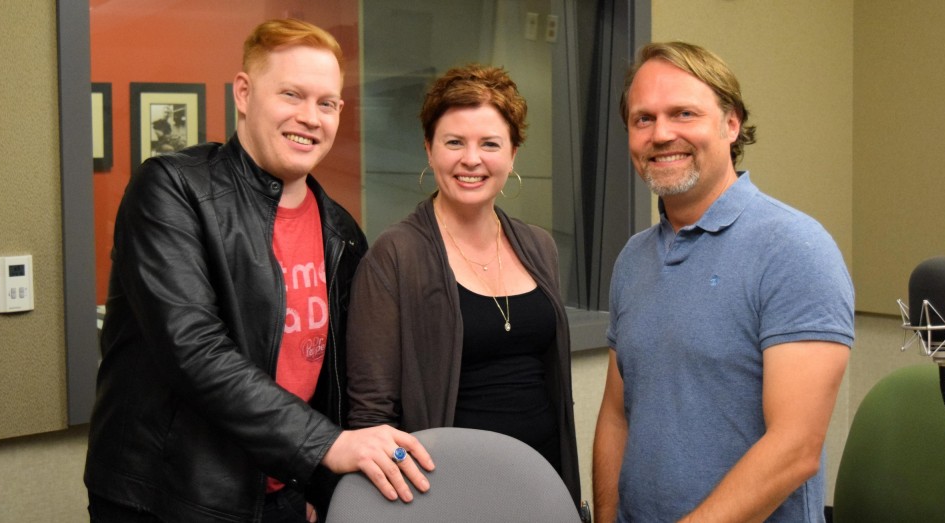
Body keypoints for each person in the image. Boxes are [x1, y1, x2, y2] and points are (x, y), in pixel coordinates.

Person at [84, 19, 433, 523]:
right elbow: (194, 349)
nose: (310, 118)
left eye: (327, 103)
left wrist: (320, 481)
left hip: (286, 491)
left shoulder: (341, 232)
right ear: (244, 93)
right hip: (173, 497)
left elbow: (334, 376)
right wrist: (324, 446)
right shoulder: (173, 191)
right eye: (292, 95)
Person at [592, 42, 854, 523]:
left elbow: (795, 448)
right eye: (643, 119)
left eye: (683, 113)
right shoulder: (633, 259)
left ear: (731, 124)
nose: (661, 134)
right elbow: (615, 414)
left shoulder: (794, 248)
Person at [345, 64, 583, 510]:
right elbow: (371, 415)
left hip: (541, 484)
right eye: (454, 142)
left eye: (489, 143)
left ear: (513, 154)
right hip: (447, 494)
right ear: (429, 150)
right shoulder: (396, 254)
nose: (470, 159)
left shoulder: (539, 245)